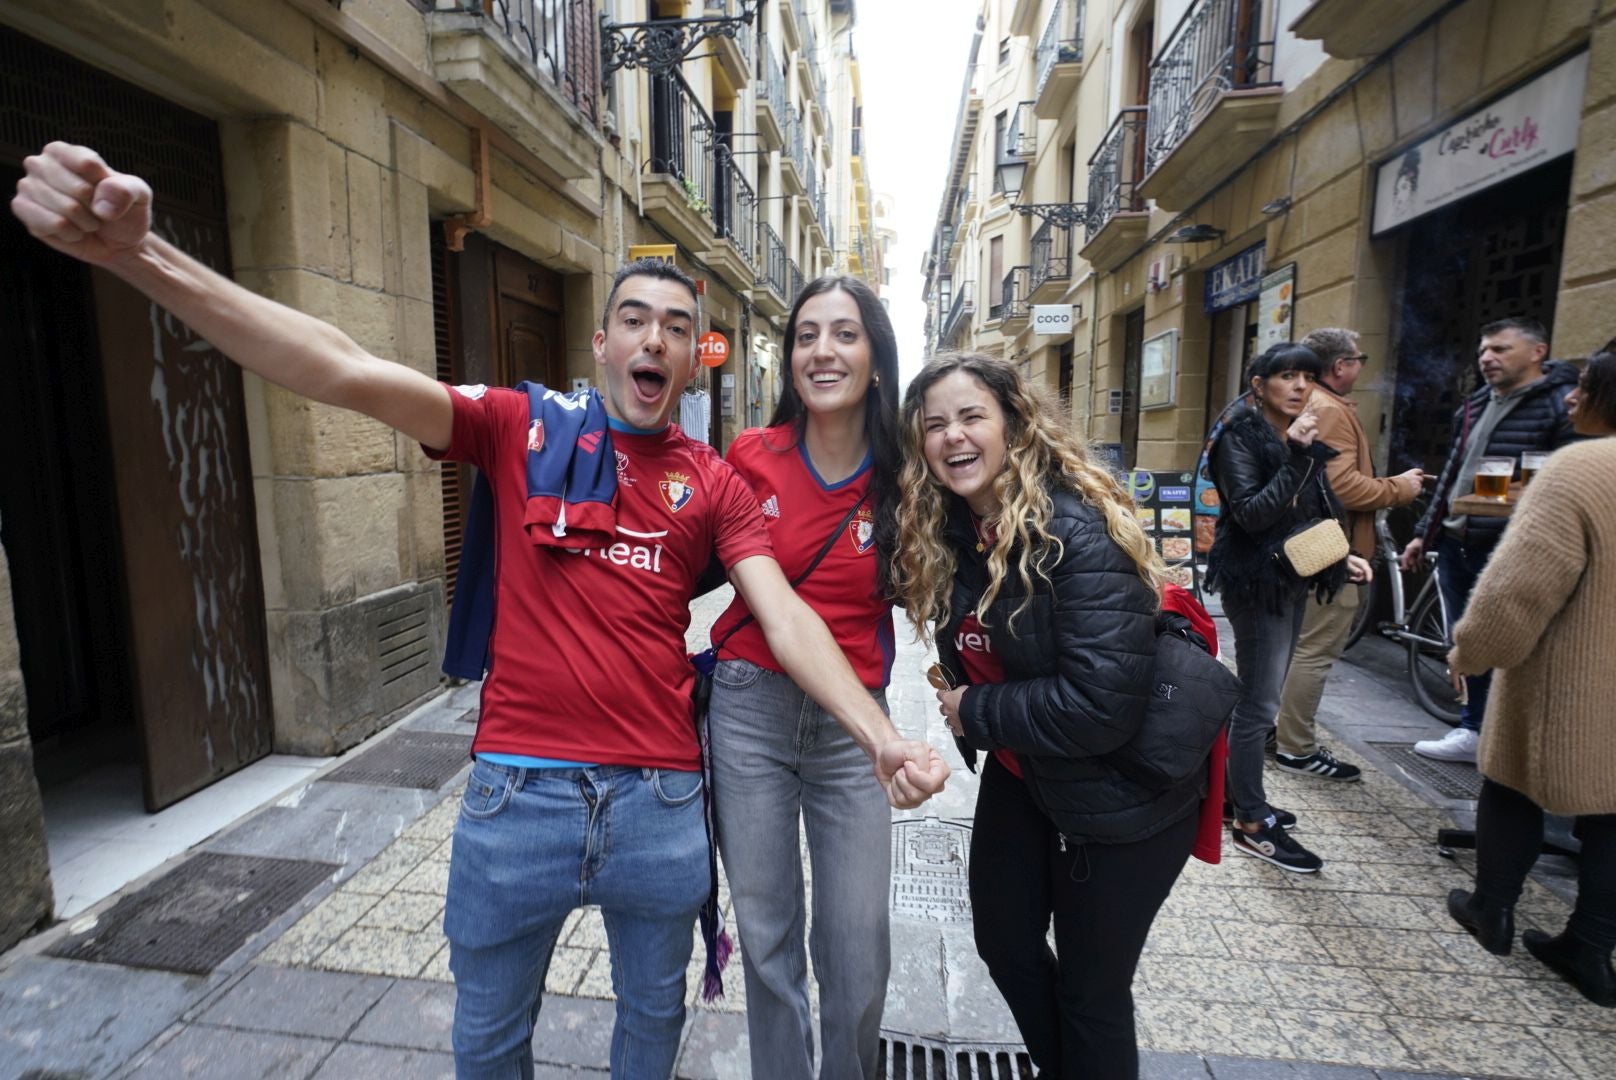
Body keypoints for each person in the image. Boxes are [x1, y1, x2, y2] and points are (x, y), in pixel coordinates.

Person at [10, 142, 950, 1080]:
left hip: (660, 802)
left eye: (675, 327)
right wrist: (142, 256)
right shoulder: (519, 425)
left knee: (651, 1041)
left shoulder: (717, 480)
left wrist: (879, 737)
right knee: (490, 1049)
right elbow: (341, 369)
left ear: (690, 363)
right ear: (602, 344)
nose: (654, 340)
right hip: (517, 797)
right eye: (633, 320)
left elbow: (783, 615)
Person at [894, 353, 1198, 1079]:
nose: (953, 436)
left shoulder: (1075, 530)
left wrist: (974, 709)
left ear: (1014, 424)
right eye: (935, 425)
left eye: (972, 416)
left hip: (1120, 796)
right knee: (1006, 944)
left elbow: (1102, 704)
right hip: (1027, 770)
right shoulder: (954, 529)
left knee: (1092, 995)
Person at [704, 275, 901, 1079]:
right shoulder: (751, 457)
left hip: (853, 727)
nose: (823, 351)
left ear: (876, 358)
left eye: (845, 334)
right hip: (749, 709)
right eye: (807, 335)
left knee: (857, 939)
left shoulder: (905, 473)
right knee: (766, 930)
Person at [1445, 352, 1616, 1007]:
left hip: (1569, 674)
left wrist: (1470, 652)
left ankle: (1492, 909)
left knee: (1514, 779)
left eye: (1584, 387)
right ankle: (1592, 948)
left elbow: (1518, 590)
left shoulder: (1581, 468)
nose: (1570, 399)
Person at [1205, 343, 1371, 874]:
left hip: (1293, 576)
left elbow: (1311, 510)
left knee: (1259, 699)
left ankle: (1234, 797)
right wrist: (1299, 456)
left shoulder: (1296, 435)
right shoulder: (1239, 438)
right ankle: (1252, 823)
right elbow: (1252, 515)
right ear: (1259, 385)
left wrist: (1338, 556)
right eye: (1287, 375)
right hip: (1257, 584)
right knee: (1258, 705)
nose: (1300, 386)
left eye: (1307, 377)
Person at [1401, 317, 1581, 764]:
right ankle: (1474, 729)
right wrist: (1425, 532)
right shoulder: (1477, 403)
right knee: (1467, 641)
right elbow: (1453, 472)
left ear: (1537, 352)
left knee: (1514, 643)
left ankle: (1512, 740)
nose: (1487, 358)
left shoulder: (1562, 404)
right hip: (1458, 538)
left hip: (1508, 545)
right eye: (1484, 350)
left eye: (1500, 349)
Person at [1274, 328, 1423, 781]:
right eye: (1359, 359)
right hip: (1327, 550)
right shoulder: (1329, 409)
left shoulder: (1313, 404)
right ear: (1340, 365)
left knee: (1295, 647)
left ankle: (1276, 733)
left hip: (1309, 548)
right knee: (1313, 650)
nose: (1361, 366)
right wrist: (1400, 488)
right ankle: (1295, 748)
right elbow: (1339, 487)